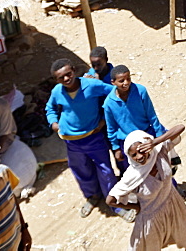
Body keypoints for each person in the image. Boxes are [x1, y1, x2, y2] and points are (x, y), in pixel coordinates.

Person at [45, 58, 132, 221]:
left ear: (74, 70)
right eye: (60, 77)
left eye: (68, 74)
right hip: (71, 141)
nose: (66, 79)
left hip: (93, 138)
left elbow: (113, 93)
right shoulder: (57, 91)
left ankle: (115, 204)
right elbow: (50, 108)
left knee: (105, 171)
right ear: (56, 80)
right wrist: (54, 123)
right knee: (81, 170)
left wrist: (105, 120)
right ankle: (93, 195)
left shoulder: (91, 85)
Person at [106, 125, 186, 251]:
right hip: (151, 218)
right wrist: (136, 207)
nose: (139, 157)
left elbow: (181, 127)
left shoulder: (160, 152)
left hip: (173, 204)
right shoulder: (132, 175)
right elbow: (110, 200)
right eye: (133, 155)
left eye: (141, 150)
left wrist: (155, 142)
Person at [104, 65, 167, 173]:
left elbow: (151, 115)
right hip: (127, 142)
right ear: (113, 82)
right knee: (136, 173)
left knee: (160, 166)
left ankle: (171, 189)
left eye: (128, 78)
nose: (126, 83)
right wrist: (115, 148)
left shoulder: (140, 91)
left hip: (146, 136)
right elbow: (111, 128)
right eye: (121, 81)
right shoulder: (109, 103)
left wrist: (159, 136)